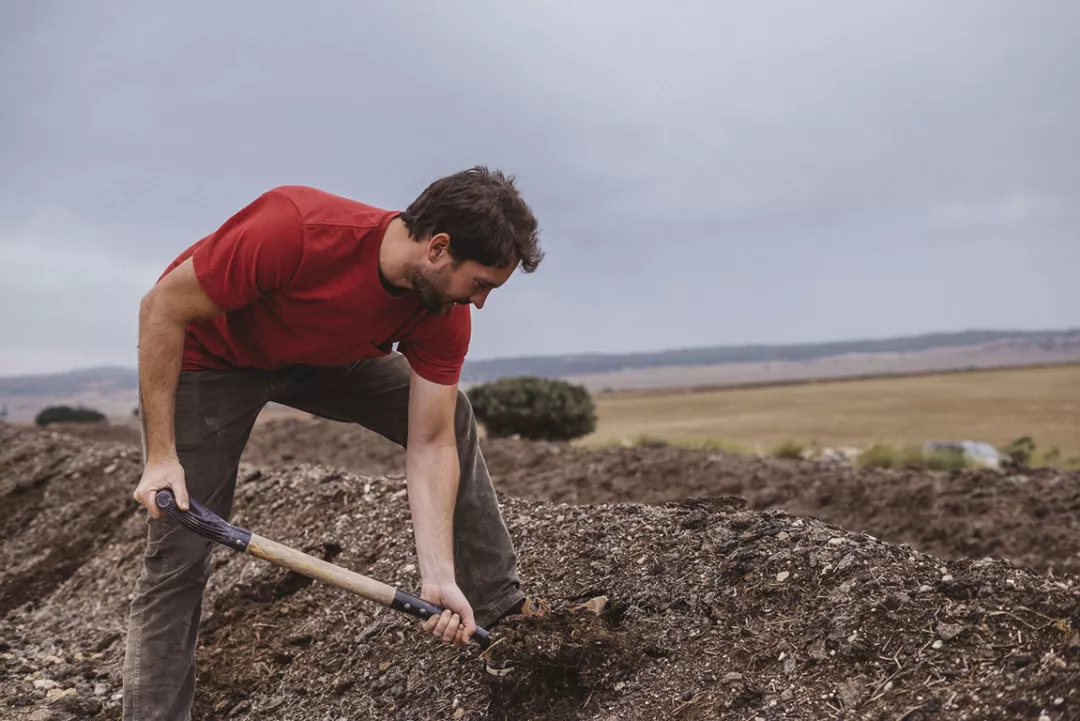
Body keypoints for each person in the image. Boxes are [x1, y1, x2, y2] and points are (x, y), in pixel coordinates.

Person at [122, 167, 548, 721]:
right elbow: (161, 307)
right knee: (178, 546)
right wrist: (161, 458)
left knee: (452, 414)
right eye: (482, 283)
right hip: (216, 355)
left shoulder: (442, 310)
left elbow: (431, 442)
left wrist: (437, 576)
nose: (482, 302)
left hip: (325, 357)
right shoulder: (296, 228)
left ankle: (501, 614)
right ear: (438, 248)